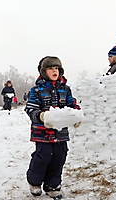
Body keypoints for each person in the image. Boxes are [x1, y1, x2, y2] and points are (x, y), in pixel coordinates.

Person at [24, 56, 81, 199]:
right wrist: (41, 116)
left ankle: (52, 185)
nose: (54, 71)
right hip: (42, 132)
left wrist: (76, 116)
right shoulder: (36, 90)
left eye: (56, 68)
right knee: (43, 157)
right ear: (44, 71)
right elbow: (30, 109)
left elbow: (71, 105)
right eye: (50, 69)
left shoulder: (65, 89)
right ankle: (35, 182)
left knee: (59, 157)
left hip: (60, 132)